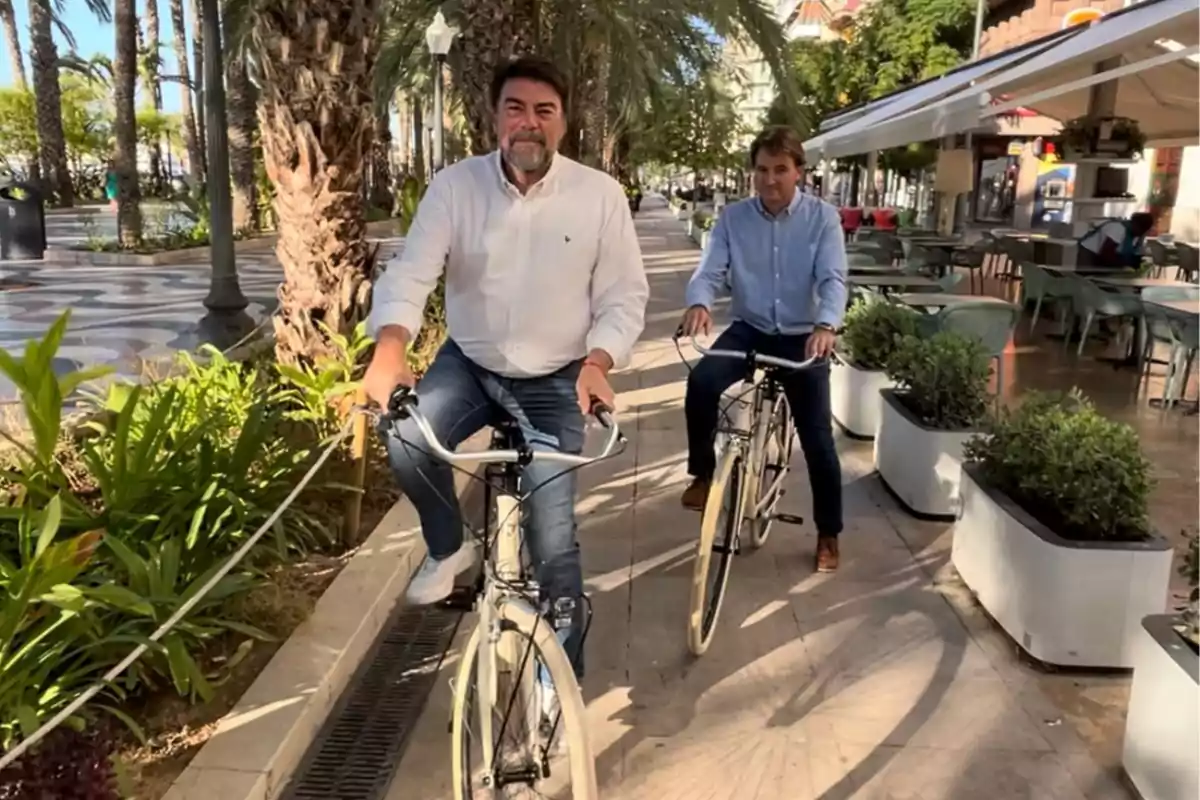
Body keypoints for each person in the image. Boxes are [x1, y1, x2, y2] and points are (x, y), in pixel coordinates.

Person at [363, 55, 649, 675]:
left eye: (544, 111)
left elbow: (624, 296)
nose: (529, 123)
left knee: (553, 540)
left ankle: (559, 679)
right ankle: (448, 547)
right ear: (494, 118)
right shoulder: (454, 187)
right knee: (407, 434)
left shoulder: (600, 196)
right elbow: (413, 272)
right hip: (470, 363)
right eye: (515, 108)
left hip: (558, 377)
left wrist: (599, 360)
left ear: (563, 124)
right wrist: (390, 346)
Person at [678, 125, 848, 573]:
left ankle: (828, 532)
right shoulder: (734, 218)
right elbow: (711, 269)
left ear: (799, 172)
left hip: (803, 336)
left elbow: (832, 278)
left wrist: (827, 324)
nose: (770, 179)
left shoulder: (822, 219)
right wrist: (699, 302)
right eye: (761, 170)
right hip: (749, 329)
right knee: (702, 381)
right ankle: (702, 472)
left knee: (818, 443)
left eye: (780, 170)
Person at [1077, 212, 1153, 269]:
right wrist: (1124, 264)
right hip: (1090, 252)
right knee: (1087, 279)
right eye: (1142, 230)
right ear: (1135, 224)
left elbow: (1134, 253)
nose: (1142, 233)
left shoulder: (1136, 235)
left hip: (1106, 256)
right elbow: (1106, 253)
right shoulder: (1118, 228)